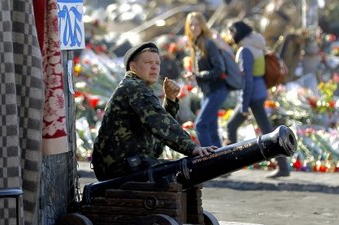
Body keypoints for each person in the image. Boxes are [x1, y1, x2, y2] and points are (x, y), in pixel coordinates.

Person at [91, 41, 217, 181]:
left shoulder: (137, 87)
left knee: (187, 170)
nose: (154, 67)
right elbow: (159, 122)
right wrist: (192, 147)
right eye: (148, 62)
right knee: (186, 171)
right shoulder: (133, 87)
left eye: (157, 63)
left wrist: (170, 100)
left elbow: (157, 140)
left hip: (126, 163)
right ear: (133, 67)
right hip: (119, 166)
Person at [225, 21, 290, 178]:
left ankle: (229, 166)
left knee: (232, 126)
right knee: (267, 129)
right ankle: (283, 167)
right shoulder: (257, 46)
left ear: (237, 33)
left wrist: (244, 105)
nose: (230, 36)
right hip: (260, 91)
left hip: (252, 95)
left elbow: (247, 80)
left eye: (231, 33)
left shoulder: (245, 50)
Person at [183, 12, 229, 148]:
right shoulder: (196, 44)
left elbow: (220, 68)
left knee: (200, 125)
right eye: (191, 25)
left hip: (217, 90)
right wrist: (193, 74)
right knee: (211, 129)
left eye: (197, 24)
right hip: (207, 92)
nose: (193, 28)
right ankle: (223, 163)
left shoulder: (209, 43)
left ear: (203, 25)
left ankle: (209, 162)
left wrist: (197, 76)